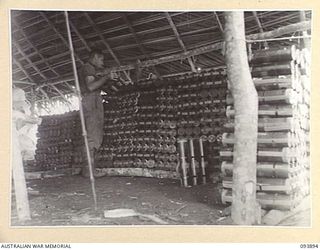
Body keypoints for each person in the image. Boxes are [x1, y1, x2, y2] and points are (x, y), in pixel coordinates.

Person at [78, 49, 118, 177]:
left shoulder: (90, 70)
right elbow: (91, 87)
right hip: (91, 101)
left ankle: (88, 169)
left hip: (91, 100)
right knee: (92, 135)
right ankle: (89, 170)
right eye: (101, 59)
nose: (102, 62)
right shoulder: (88, 68)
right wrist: (106, 77)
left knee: (93, 135)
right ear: (95, 57)